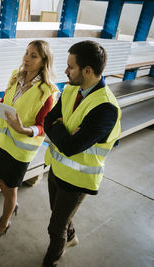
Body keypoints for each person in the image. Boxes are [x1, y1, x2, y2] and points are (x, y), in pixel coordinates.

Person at [42, 40, 121, 266]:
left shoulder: (106, 108)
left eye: (70, 67)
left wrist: (58, 127)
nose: (65, 71)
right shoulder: (70, 89)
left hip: (78, 179)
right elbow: (49, 119)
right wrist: (62, 129)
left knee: (55, 226)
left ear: (87, 70)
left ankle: (52, 260)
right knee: (59, 214)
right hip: (57, 169)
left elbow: (70, 146)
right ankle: (71, 236)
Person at [0, 40, 58, 240]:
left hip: (21, 150)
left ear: (44, 62)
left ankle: (4, 222)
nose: (26, 58)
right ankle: (12, 204)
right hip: (4, 141)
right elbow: (8, 101)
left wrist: (23, 129)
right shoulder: (16, 77)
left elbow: (44, 127)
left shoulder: (47, 92)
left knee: (10, 188)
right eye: (26, 53)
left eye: (33, 55)